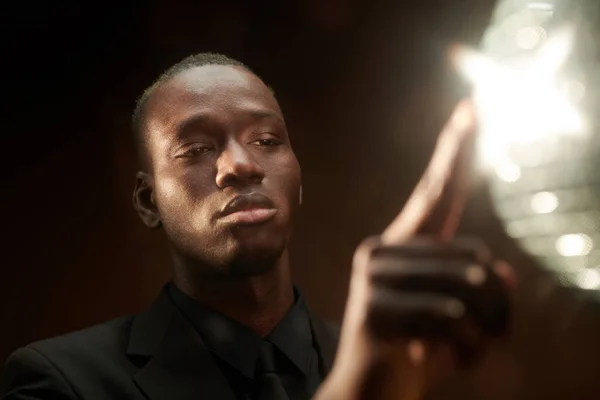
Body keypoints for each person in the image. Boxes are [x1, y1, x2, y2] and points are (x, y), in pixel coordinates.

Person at [1, 53, 512, 400]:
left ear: (298, 178)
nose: (241, 164)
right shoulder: (59, 382)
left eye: (267, 140)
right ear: (147, 200)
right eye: (197, 150)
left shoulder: (408, 365)